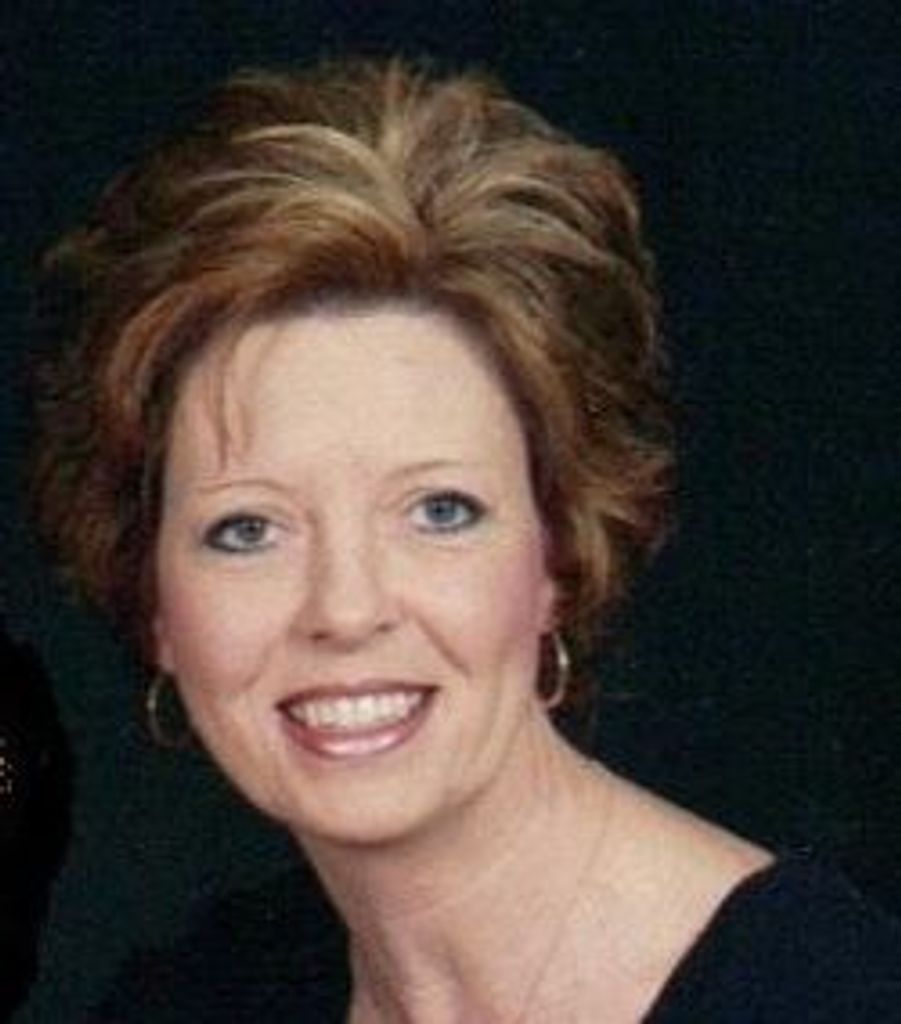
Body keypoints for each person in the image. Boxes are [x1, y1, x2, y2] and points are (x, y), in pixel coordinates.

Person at [33, 58, 901, 1022]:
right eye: (248, 528)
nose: (346, 609)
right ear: (153, 599)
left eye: (438, 511)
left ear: (558, 555)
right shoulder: (196, 997)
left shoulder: (826, 998)